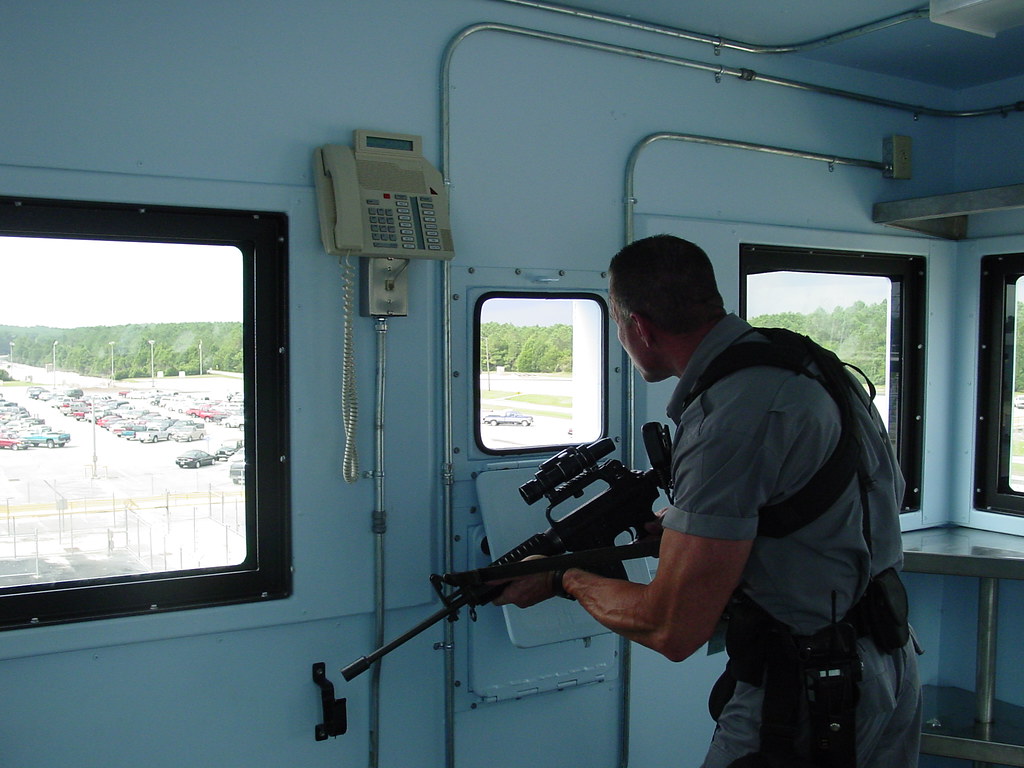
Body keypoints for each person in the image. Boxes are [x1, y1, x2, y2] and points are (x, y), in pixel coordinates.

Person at [494, 234, 922, 767]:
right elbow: (840, 498)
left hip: (812, 687)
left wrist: (564, 577)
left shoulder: (728, 415)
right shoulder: (807, 362)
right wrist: (689, 531)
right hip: (890, 660)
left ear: (640, 328)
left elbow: (672, 628)